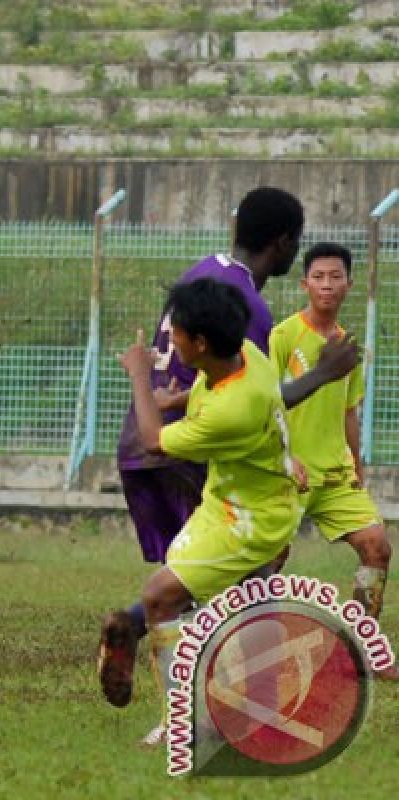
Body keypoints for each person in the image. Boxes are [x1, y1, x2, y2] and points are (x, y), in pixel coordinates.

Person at [98, 188, 358, 709]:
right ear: (284, 244)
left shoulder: (202, 270)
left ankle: (138, 632)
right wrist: (324, 375)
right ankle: (215, 699)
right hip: (187, 448)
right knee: (247, 569)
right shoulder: (250, 311)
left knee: (192, 583)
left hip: (144, 444)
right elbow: (254, 401)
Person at [119, 278, 305, 746]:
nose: (170, 339)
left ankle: (182, 721)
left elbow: (153, 442)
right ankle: (257, 707)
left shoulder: (232, 410)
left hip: (246, 518)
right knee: (246, 603)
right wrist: (175, 400)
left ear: (199, 343)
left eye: (175, 333)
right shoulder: (244, 354)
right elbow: (220, 389)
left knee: (161, 598)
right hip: (239, 499)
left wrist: (141, 376)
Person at [269, 242, 396, 679]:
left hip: (335, 473)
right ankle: (242, 650)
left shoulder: (346, 345)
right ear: (304, 284)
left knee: (377, 546)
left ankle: (358, 652)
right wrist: (283, 457)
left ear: (349, 284)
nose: (327, 284)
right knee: (268, 560)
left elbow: (349, 410)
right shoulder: (284, 335)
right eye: (318, 276)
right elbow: (266, 403)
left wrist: (357, 464)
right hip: (289, 471)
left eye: (335, 276)